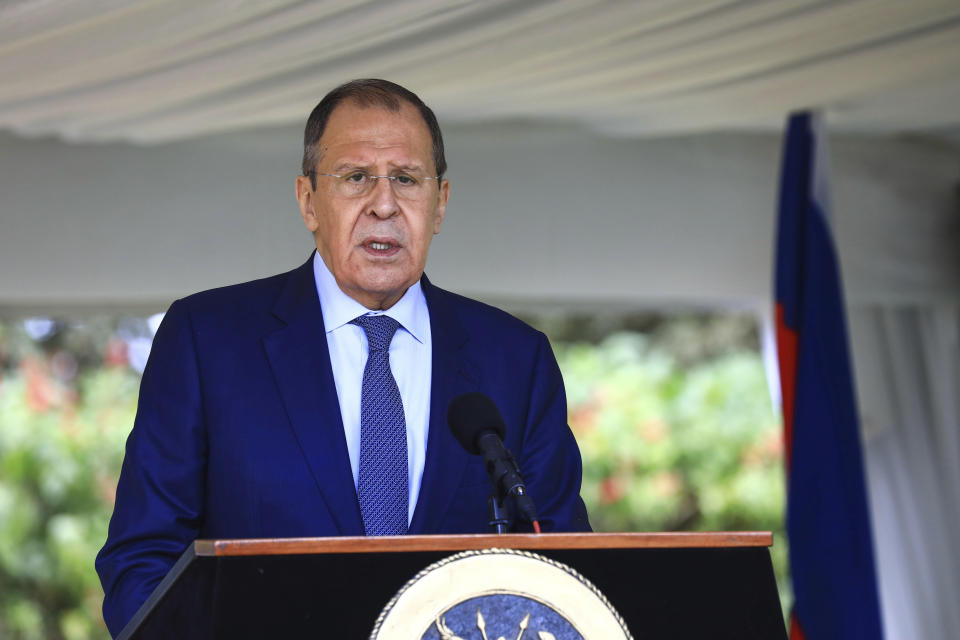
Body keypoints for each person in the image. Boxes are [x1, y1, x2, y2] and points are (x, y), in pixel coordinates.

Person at [95, 79, 590, 637]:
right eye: (356, 178)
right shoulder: (207, 342)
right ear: (308, 200)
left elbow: (564, 573)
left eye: (406, 179)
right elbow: (143, 563)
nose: (384, 205)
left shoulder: (515, 361)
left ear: (440, 202)